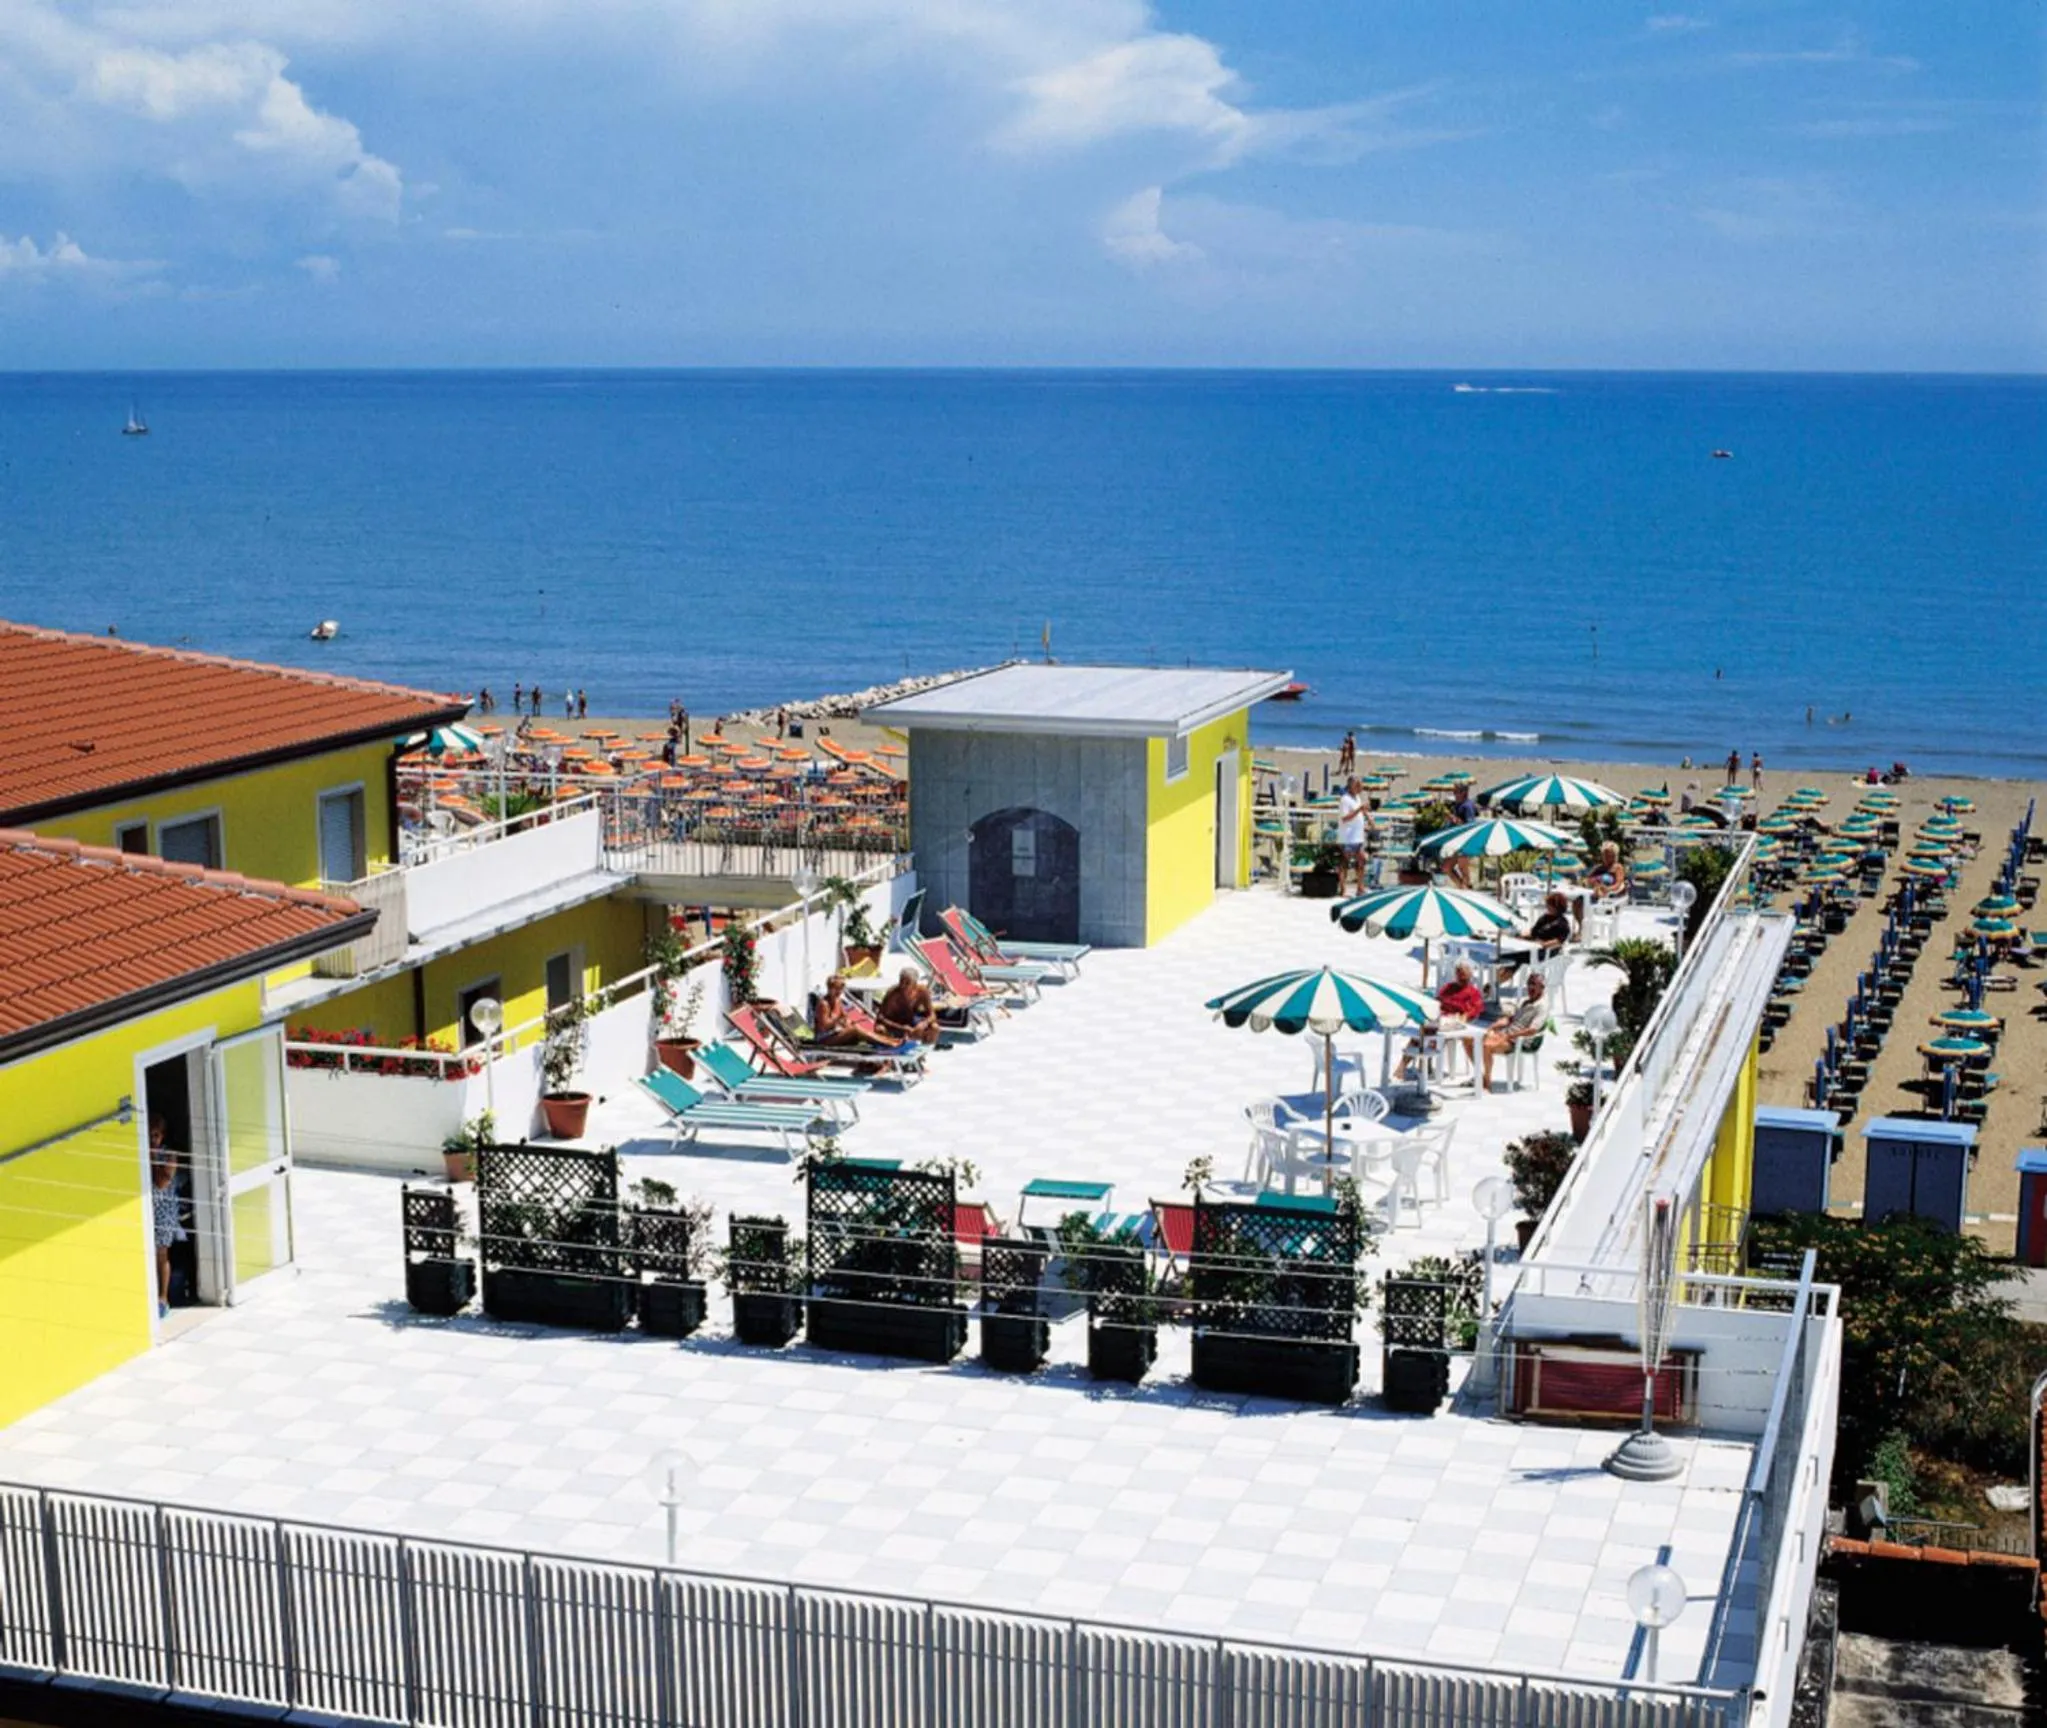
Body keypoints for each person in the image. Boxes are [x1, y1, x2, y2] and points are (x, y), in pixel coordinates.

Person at [1398, 961, 1486, 1080]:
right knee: (1419, 1035)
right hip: (1440, 1018)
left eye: (1464, 976)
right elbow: (1437, 1002)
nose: (1461, 978)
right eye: (1459, 975)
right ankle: (1404, 1067)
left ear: (1470, 976)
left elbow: (1476, 1009)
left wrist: (1465, 1015)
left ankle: (1424, 1064)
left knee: (1432, 1035)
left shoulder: (1473, 992)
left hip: (1456, 1022)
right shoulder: (1448, 987)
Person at [1482, 973, 1547, 1091]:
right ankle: (1482, 1075)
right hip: (1508, 1034)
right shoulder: (1526, 1002)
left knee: (1486, 1046)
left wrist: (1509, 1035)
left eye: (1533, 985)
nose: (1530, 988)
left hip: (1518, 1041)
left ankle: (1487, 1082)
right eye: (1529, 984)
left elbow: (1532, 1030)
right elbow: (1511, 1019)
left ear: (1541, 987)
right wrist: (1495, 1025)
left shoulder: (1541, 1007)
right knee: (1472, 1040)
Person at [148, 1117, 185, 1319]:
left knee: (161, 1254)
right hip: (147, 1208)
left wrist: (153, 1156)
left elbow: (161, 1182)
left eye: (156, 1135)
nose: (153, 1139)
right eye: (150, 1135)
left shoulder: (169, 1155)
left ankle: (163, 1298)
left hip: (163, 1210)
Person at [811, 975, 902, 1050]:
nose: (839, 992)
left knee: (869, 1028)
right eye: (836, 989)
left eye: (841, 988)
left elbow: (845, 1016)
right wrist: (837, 1019)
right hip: (824, 1040)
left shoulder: (837, 1000)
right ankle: (889, 1043)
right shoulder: (824, 1004)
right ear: (829, 988)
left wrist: (846, 1021)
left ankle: (890, 1041)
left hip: (836, 1034)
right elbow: (824, 1026)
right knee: (855, 1029)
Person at [1501, 891, 1573, 976]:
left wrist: (1541, 944)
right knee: (1509, 954)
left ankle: (1494, 983)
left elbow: (1558, 941)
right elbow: (1533, 932)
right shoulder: (1544, 918)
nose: (1547, 907)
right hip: (1533, 947)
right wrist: (1517, 936)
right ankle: (1494, 982)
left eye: (1549, 905)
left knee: (1516, 957)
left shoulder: (1562, 923)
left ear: (1556, 907)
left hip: (1545, 952)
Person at [876, 968, 941, 1046]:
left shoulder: (922, 991)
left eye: (907, 983)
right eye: (901, 982)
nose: (903, 985)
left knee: (935, 1028)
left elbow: (932, 1014)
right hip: (894, 1023)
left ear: (914, 984)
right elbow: (880, 1018)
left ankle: (923, 1050)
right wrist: (902, 1027)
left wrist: (923, 1023)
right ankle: (889, 1048)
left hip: (911, 1020)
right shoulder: (893, 993)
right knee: (880, 1029)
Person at [1336, 776, 1370, 896]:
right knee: (1344, 863)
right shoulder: (1345, 799)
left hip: (1358, 836)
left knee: (1362, 860)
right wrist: (1359, 810)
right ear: (1352, 786)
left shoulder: (1357, 798)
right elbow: (1345, 818)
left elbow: (1362, 812)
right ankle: (1343, 889)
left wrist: (1370, 819)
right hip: (1347, 837)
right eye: (1358, 785)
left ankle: (1360, 888)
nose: (1361, 788)